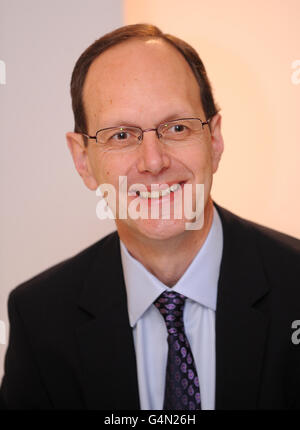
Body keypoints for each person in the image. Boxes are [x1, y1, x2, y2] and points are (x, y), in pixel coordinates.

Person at [0, 24, 299, 411]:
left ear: (215, 140)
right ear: (82, 160)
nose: (154, 162)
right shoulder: (40, 318)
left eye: (177, 127)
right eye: (121, 135)